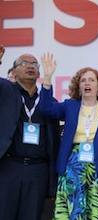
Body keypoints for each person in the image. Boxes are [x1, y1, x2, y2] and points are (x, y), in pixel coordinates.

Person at [39, 53, 98, 219]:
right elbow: (46, 108)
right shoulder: (69, 106)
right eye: (83, 80)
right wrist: (47, 78)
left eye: (92, 80)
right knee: (73, 212)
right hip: (72, 168)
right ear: (78, 86)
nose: (87, 83)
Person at [0, 48, 60, 220]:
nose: (30, 66)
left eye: (34, 64)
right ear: (14, 71)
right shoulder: (6, 91)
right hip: (9, 166)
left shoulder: (48, 101)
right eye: (24, 63)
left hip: (38, 170)